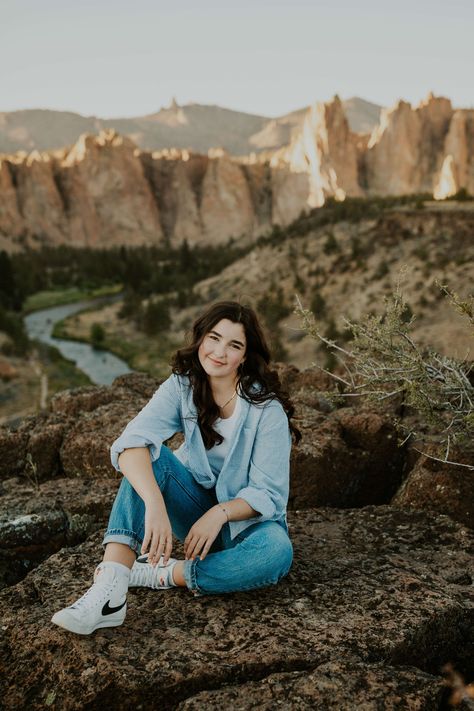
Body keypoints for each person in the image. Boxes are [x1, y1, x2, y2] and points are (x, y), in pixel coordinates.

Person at [52, 300, 301, 635]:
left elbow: (268, 494)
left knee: (277, 553)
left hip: (246, 525)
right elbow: (130, 444)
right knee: (148, 458)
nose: (219, 351)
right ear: (200, 339)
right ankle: (108, 591)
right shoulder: (183, 386)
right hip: (192, 509)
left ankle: (162, 573)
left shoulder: (265, 411)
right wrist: (155, 503)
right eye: (214, 338)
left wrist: (220, 513)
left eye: (234, 345)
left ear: (245, 355)